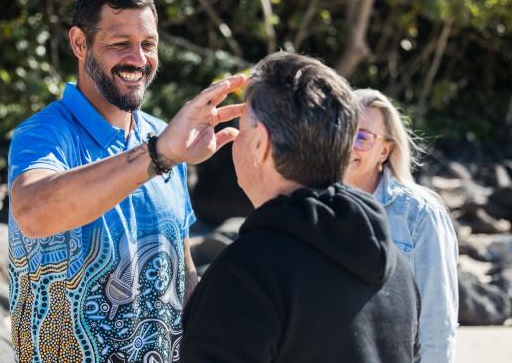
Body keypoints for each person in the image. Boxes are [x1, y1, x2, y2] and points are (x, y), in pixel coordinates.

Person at [7, 0, 246, 363]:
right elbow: (33, 212)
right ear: (79, 44)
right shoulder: (44, 133)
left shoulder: (163, 136)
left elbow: (180, 274)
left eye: (148, 45)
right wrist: (159, 155)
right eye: (120, 44)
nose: (138, 58)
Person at [180, 52, 420, 363]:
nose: (234, 142)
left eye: (242, 128)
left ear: (261, 144)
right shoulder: (396, 268)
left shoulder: (246, 277)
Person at [345, 88, 459, 363]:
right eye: (343, 131)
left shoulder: (420, 215)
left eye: (362, 137)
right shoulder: (312, 209)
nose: (349, 145)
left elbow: (437, 324)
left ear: (385, 150)